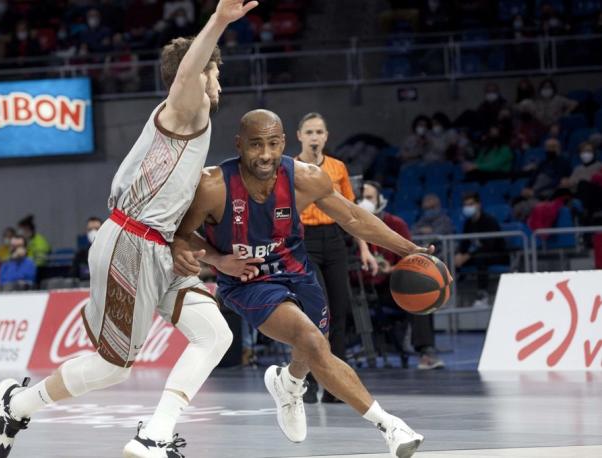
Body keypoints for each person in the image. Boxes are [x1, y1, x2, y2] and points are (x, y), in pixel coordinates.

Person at [0, 2, 259, 458]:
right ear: (194, 75)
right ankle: (17, 406)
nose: (218, 83)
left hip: (159, 248)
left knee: (216, 335)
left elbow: (174, 221)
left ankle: (156, 432)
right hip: (131, 244)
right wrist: (219, 21)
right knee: (114, 368)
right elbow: (189, 76)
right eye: (214, 73)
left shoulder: (190, 124)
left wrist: (216, 259)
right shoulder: (187, 111)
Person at [171, 109, 428, 457]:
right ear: (239, 144)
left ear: (284, 143)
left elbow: (353, 217)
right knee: (311, 340)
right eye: (255, 145)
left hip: (297, 271)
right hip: (247, 279)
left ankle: (289, 383)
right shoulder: (213, 185)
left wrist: (410, 250)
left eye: (273, 144)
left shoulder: (306, 178)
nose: (265, 154)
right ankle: (390, 426)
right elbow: (180, 236)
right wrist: (217, 260)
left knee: (312, 346)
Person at [294, 112, 376, 404]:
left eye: (319, 132)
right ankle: (307, 380)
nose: (315, 137)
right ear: (299, 136)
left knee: (339, 311)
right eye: (309, 132)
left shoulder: (337, 168)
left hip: (334, 240)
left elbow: (352, 213)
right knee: (318, 313)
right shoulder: (291, 169)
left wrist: (364, 248)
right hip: (304, 242)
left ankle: (334, 386)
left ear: (326, 136)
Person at [359, 183, 445, 370]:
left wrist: (391, 269)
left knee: (419, 290)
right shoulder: (347, 226)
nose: (365, 202)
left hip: (389, 286)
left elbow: (410, 260)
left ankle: (426, 352)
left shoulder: (396, 224)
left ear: (381, 200)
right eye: (361, 198)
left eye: (370, 198)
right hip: (359, 288)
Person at [454, 193, 508, 304]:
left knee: (480, 259)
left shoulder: (489, 220)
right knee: (453, 260)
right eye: (465, 205)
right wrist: (459, 254)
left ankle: (482, 295)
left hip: (496, 254)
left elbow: (488, 245)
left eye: (471, 204)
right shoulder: (468, 223)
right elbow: (464, 243)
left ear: (478, 205)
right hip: (476, 254)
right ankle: (452, 294)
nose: (468, 207)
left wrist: (467, 255)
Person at [71, 217, 103, 281]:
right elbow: (73, 277)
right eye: (90, 229)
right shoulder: (80, 255)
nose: (93, 232)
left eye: (97, 229)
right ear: (86, 231)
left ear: (103, 230)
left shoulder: (110, 253)